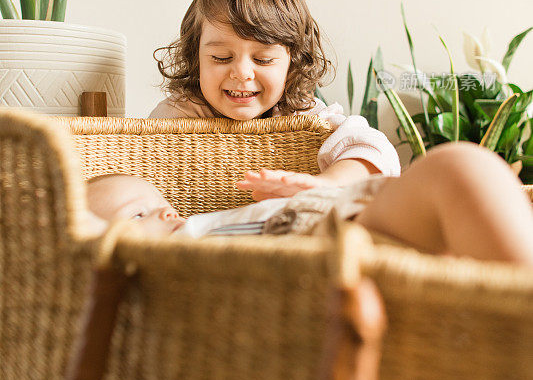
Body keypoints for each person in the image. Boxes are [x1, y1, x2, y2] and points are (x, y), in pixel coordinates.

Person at [149, 0, 401, 199]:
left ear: (293, 63)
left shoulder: (301, 114)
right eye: (221, 57)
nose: (242, 73)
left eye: (263, 59)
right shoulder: (177, 115)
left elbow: (378, 151)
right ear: (196, 57)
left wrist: (327, 183)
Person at [85, 151, 533, 265]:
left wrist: (320, 186)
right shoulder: (179, 258)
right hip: (336, 243)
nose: (166, 213)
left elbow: (364, 145)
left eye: (161, 204)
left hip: (347, 209)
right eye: (138, 214)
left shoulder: (196, 229)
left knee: (470, 179)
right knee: (459, 171)